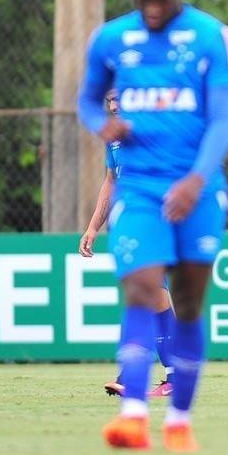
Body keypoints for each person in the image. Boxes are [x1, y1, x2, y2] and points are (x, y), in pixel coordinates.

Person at [78, 0, 228, 452]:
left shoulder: (213, 37)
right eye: (144, 1)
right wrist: (100, 123)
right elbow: (86, 99)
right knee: (143, 289)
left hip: (198, 188)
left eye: (162, 0)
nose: (152, 10)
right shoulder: (110, 39)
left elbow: (221, 118)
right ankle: (132, 416)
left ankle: (179, 422)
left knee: (189, 302)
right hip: (141, 188)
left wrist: (197, 178)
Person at [78, 90, 174, 399]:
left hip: (157, 221)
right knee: (152, 297)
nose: (114, 105)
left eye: (119, 98)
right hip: (129, 226)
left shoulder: (156, 127)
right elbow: (111, 180)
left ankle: (149, 375)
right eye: (108, 101)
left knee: (151, 295)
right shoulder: (113, 137)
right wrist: (94, 226)